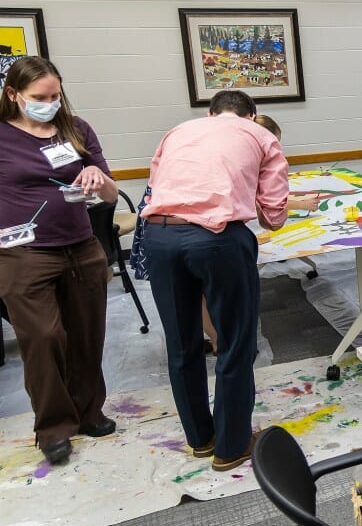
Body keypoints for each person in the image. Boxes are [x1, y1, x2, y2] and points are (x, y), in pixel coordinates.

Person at [142, 89, 289, 472]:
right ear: (252, 116)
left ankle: (201, 439)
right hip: (218, 239)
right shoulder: (260, 135)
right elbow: (274, 216)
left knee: (181, 343)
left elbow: (157, 183)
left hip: (158, 236)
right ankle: (232, 446)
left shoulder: (177, 131)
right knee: (235, 342)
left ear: (210, 113)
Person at [0, 56, 119, 464]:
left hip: (81, 247)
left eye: (55, 95)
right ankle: (53, 426)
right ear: (13, 95)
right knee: (44, 337)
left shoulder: (76, 129)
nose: (49, 103)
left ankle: (89, 413)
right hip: (24, 254)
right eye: (39, 97)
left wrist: (97, 179)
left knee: (87, 335)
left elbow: (110, 194)